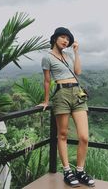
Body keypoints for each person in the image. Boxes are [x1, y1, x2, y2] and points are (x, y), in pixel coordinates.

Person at [37, 27, 95, 187]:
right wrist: (46, 100)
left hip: (77, 93)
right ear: (55, 38)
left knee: (84, 136)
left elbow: (78, 71)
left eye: (68, 39)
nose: (66, 41)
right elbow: (47, 80)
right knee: (62, 134)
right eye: (62, 37)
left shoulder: (69, 55)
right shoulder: (47, 58)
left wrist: (76, 52)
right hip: (61, 94)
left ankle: (80, 171)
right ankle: (67, 171)